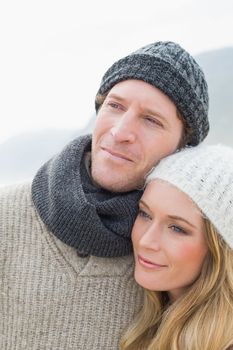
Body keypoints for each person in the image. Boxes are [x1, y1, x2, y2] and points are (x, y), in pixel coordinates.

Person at [0, 41, 209, 349]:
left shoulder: (177, 264)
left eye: (151, 120)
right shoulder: (6, 215)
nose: (120, 131)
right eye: (115, 106)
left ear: (182, 149)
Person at [121, 144, 233, 350]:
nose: (146, 241)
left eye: (177, 228)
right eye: (145, 214)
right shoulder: (147, 318)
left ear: (220, 250)